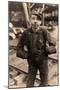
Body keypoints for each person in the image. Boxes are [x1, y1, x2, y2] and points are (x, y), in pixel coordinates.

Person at [16, 14, 56, 87]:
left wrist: (48, 49)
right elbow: (18, 48)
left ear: (40, 22)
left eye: (38, 20)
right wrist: (26, 55)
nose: (35, 21)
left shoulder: (44, 32)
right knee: (30, 82)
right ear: (30, 21)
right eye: (33, 18)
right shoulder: (26, 33)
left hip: (43, 61)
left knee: (44, 82)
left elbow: (53, 45)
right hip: (31, 62)